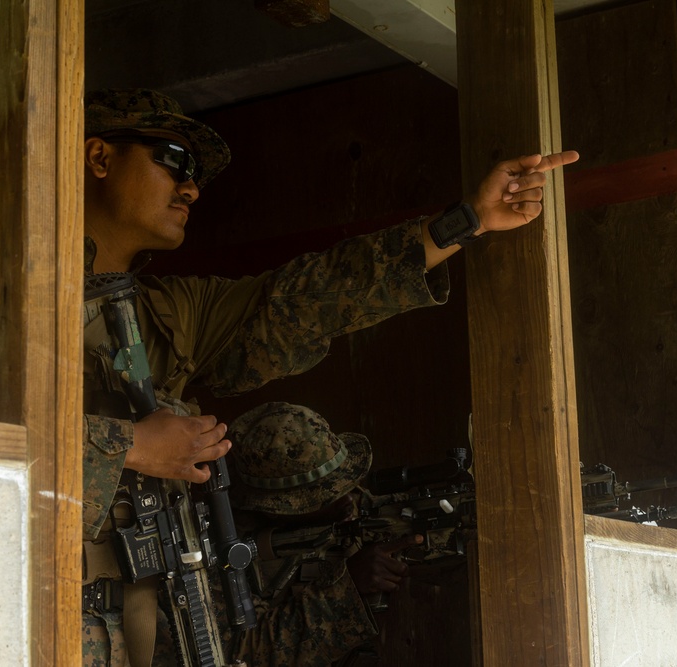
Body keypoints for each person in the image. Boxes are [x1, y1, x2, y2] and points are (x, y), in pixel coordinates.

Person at [79, 88, 579, 667]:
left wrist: (466, 223)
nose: (191, 187)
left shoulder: (168, 315)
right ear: (99, 159)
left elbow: (308, 298)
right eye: (175, 160)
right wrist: (133, 447)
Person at [212, 401, 416, 666]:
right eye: (321, 496)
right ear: (275, 510)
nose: (346, 497)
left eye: (343, 481)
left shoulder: (344, 507)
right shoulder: (217, 551)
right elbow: (243, 653)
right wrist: (348, 590)